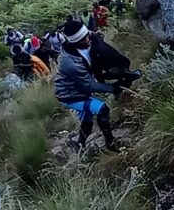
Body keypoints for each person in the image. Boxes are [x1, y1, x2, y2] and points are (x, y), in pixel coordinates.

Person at [54, 19, 140, 152]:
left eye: (87, 36)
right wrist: (114, 88)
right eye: (83, 40)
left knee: (87, 118)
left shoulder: (85, 39)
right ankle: (110, 142)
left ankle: (80, 144)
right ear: (74, 42)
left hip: (79, 89)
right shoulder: (70, 63)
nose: (88, 40)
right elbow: (89, 85)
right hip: (70, 95)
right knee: (102, 109)